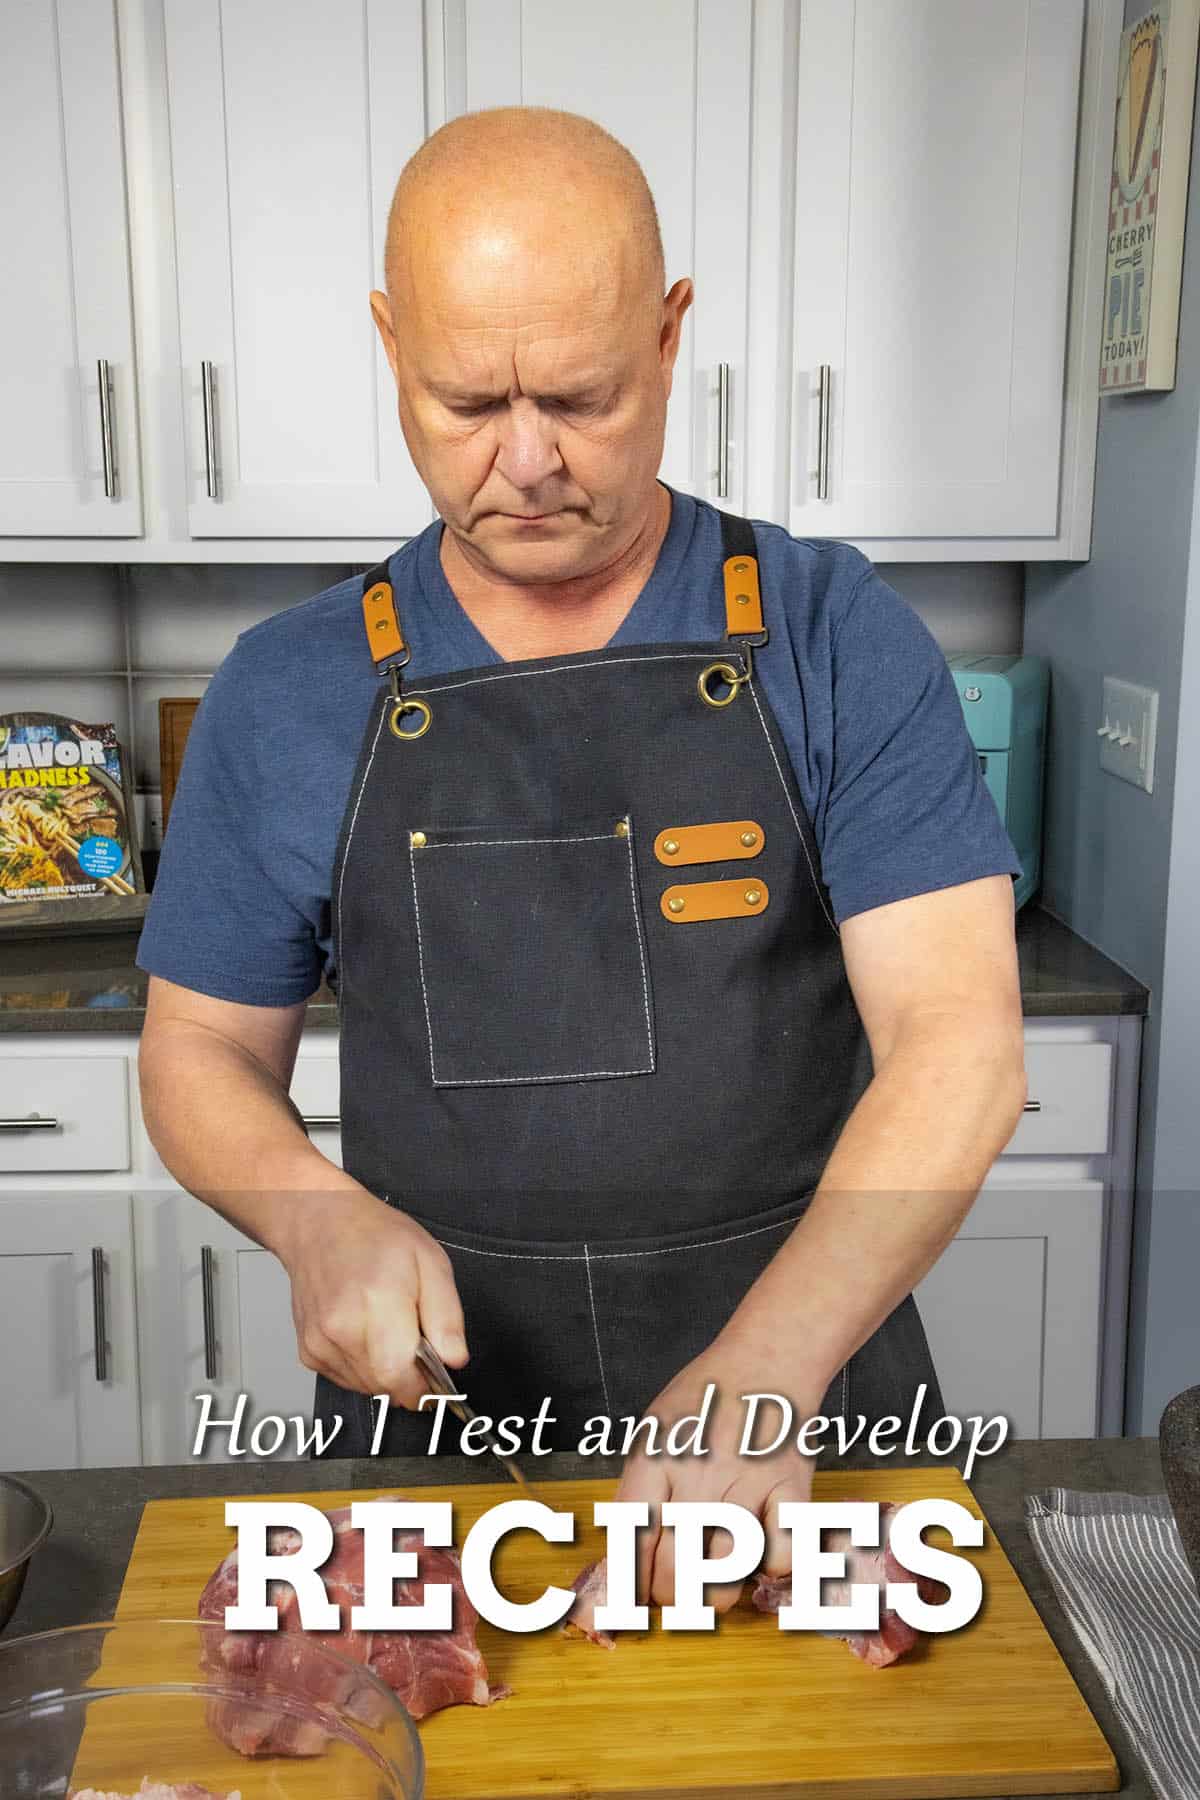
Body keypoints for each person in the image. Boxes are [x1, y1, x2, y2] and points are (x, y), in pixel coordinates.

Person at [137, 106, 1026, 1606]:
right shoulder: (286, 691)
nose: (529, 461)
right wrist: (310, 1218)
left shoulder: (830, 637)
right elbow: (197, 1055)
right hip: (448, 1439)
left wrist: (769, 1366)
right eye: (467, 401)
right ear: (386, 343)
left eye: (582, 395)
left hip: (803, 1398)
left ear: (673, 337)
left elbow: (960, 1044)